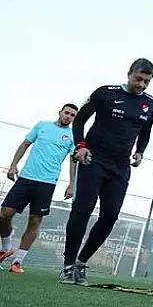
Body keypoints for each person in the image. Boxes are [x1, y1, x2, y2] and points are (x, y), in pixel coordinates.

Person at [60, 58, 153, 285]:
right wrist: (81, 146)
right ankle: (68, 265)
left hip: (120, 166)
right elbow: (79, 121)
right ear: (129, 74)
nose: (141, 85)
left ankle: (81, 262)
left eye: (146, 81)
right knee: (82, 210)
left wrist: (140, 152)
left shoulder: (151, 103)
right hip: (93, 160)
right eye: (138, 79)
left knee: (110, 216)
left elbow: (145, 132)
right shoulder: (106, 93)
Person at [0, 104, 78, 273]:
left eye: (72, 115)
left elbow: (74, 160)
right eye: (66, 113)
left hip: (47, 183)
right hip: (26, 178)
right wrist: (13, 165)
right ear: (60, 112)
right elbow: (24, 145)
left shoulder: (73, 136)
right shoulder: (42, 125)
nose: (68, 116)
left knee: (35, 220)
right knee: (4, 214)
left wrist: (72, 184)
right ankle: (5, 249)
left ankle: (17, 262)